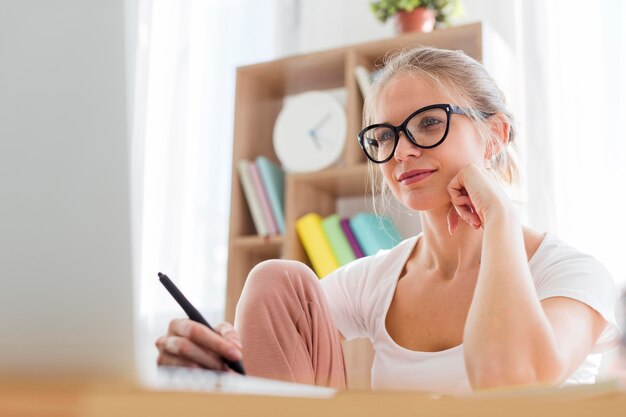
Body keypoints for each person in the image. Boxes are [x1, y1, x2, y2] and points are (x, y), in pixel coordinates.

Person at [155, 47, 619, 394]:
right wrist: (215, 354)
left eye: (429, 123)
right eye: (384, 136)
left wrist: (498, 218)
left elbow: (511, 383)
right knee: (275, 279)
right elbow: (272, 342)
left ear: (494, 135)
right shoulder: (379, 279)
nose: (403, 151)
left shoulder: (572, 275)